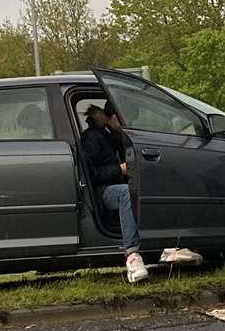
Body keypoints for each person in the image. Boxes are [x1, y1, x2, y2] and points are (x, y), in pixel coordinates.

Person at [80, 102, 199, 283]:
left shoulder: (113, 136)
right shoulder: (93, 138)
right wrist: (119, 170)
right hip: (101, 191)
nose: (129, 123)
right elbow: (90, 174)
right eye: (126, 118)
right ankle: (132, 256)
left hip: (114, 185)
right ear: (113, 117)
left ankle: (170, 247)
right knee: (127, 193)